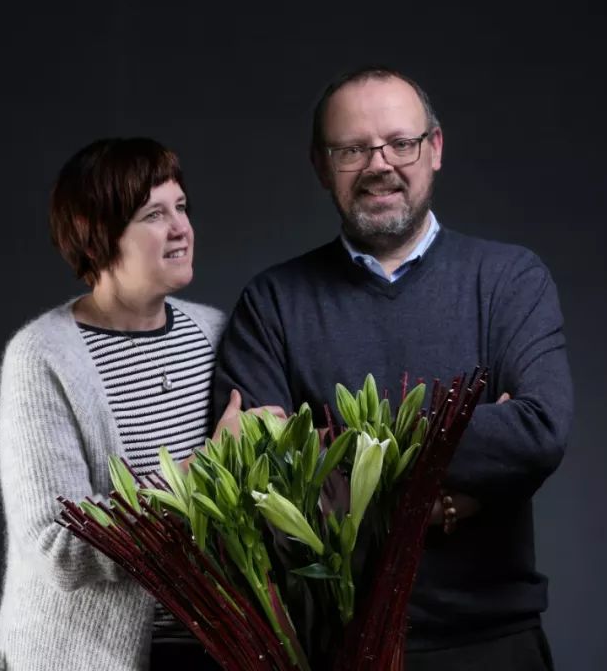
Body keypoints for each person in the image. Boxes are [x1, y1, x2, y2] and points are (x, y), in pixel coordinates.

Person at [213, 67, 574, 670]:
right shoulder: (272, 303)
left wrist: (335, 454)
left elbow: (539, 433)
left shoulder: (509, 280)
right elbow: (266, 485)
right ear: (321, 165)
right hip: (331, 652)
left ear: (434, 149)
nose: (379, 163)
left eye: (399, 143)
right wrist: (454, 488)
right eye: (352, 149)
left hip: (490, 644)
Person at [0, 138, 241, 671]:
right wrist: (209, 469)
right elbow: (59, 547)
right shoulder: (42, 358)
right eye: (154, 214)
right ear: (99, 237)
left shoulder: (216, 335)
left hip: (218, 652)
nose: (181, 228)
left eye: (182, 206)